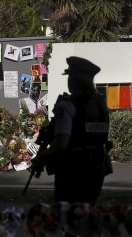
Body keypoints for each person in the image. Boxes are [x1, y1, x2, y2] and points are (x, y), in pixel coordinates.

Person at [33, 56, 113, 204]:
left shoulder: (67, 106)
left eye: (69, 77)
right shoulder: (100, 104)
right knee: (86, 214)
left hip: (72, 170)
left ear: (74, 80)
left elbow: (62, 142)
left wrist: (42, 156)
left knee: (67, 215)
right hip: (97, 167)